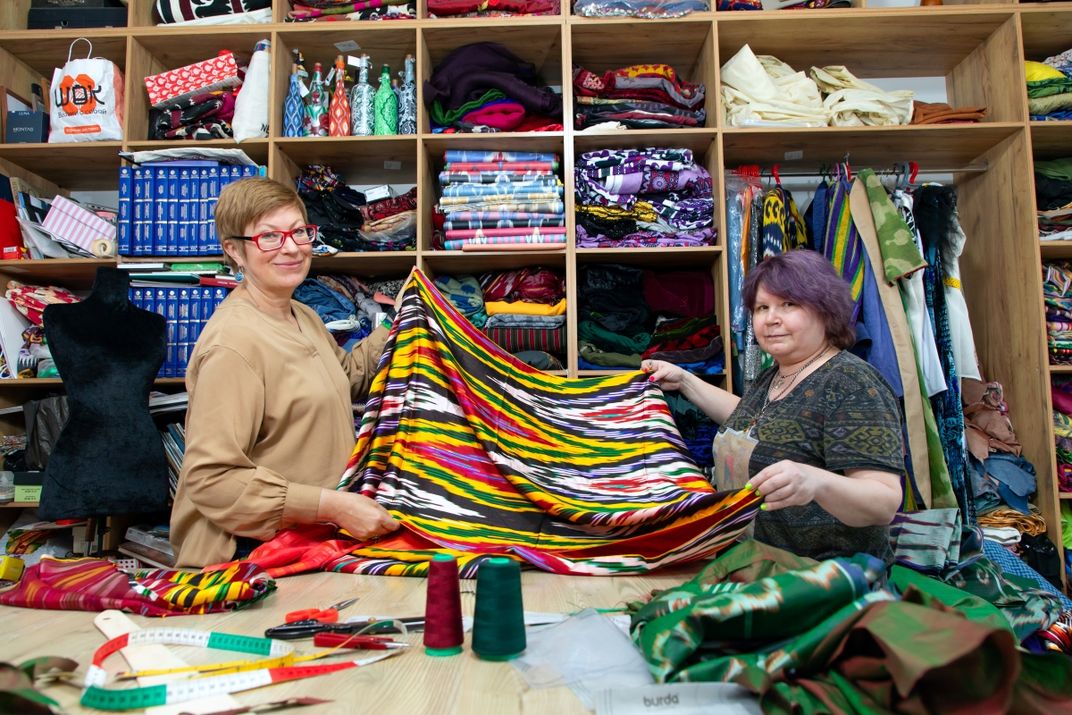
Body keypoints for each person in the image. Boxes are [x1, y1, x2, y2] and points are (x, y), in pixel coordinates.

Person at [171, 177, 402, 568]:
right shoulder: (233, 344)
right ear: (234, 250)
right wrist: (333, 506)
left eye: (299, 232)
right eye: (270, 237)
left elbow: (343, 380)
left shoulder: (301, 314)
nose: (292, 248)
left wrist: (397, 321)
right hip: (250, 557)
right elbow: (212, 480)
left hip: (307, 542)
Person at [644, 249, 904, 564]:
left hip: (826, 580)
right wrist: (684, 381)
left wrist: (816, 481)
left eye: (788, 305)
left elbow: (884, 500)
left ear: (825, 310)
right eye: (761, 308)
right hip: (756, 567)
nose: (771, 319)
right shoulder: (775, 376)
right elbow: (756, 425)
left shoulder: (852, 384)